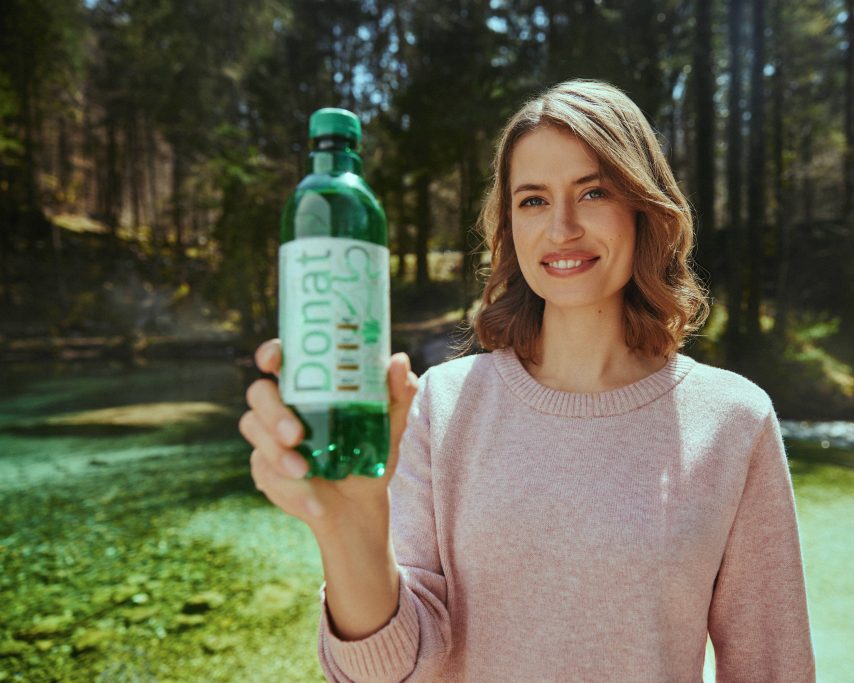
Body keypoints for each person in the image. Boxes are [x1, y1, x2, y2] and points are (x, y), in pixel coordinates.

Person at [239, 79, 815, 681]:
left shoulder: (734, 420)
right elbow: (395, 672)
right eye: (533, 200)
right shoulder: (442, 403)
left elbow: (771, 668)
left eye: (593, 192)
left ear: (644, 208)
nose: (561, 228)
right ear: (509, 224)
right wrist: (347, 526)